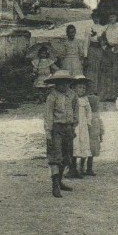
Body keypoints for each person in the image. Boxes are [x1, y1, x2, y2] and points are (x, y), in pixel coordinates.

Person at [43, 70, 79, 198]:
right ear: (55, 84)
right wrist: (48, 131)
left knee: (67, 156)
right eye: (60, 83)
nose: (63, 86)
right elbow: (48, 115)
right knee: (55, 156)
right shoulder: (52, 97)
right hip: (56, 128)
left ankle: (59, 181)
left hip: (68, 128)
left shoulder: (73, 95)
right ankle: (55, 185)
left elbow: (76, 112)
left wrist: (74, 126)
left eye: (66, 83)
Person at [98, 13, 118, 101]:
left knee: (117, 72)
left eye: (114, 16)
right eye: (110, 16)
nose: (112, 18)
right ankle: (107, 94)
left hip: (117, 51)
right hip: (107, 52)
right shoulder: (105, 27)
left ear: (117, 17)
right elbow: (100, 38)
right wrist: (103, 46)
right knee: (107, 72)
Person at [70, 76, 93, 179]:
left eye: (84, 88)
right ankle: (72, 168)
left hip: (83, 125)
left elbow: (89, 111)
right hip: (75, 125)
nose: (82, 90)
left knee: (83, 143)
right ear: (74, 88)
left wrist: (88, 122)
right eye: (80, 87)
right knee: (75, 144)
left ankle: (81, 168)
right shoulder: (72, 98)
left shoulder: (85, 99)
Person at [84, 13, 105, 90]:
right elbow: (86, 42)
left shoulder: (103, 28)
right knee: (91, 69)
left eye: (98, 17)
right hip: (92, 49)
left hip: (100, 50)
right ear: (92, 18)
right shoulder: (89, 28)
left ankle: (98, 89)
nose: (96, 19)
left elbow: (104, 42)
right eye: (94, 17)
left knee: (99, 68)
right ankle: (91, 88)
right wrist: (85, 55)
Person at [86, 88, 103, 176]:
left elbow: (100, 125)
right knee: (89, 153)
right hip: (90, 137)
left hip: (93, 137)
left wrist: (100, 134)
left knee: (89, 153)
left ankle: (87, 168)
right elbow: (100, 125)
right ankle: (87, 168)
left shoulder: (96, 114)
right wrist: (101, 134)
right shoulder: (90, 115)